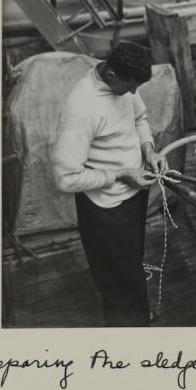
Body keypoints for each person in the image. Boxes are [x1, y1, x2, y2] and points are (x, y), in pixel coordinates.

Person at [51, 43, 168, 326]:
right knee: (118, 280)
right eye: (129, 86)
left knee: (131, 266)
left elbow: (139, 118)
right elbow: (64, 178)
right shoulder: (81, 107)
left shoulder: (125, 83)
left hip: (132, 194)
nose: (132, 93)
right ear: (112, 74)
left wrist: (149, 150)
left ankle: (137, 316)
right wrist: (120, 175)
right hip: (105, 209)